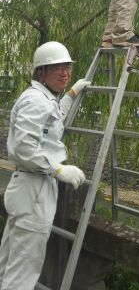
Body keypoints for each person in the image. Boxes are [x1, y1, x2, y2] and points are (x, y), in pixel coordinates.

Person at [0, 41, 90, 290]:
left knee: (9, 263)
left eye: (67, 67)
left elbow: (51, 120)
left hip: (30, 188)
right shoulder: (36, 101)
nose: (65, 73)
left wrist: (71, 95)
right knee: (23, 271)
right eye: (57, 68)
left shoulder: (42, 98)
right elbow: (24, 147)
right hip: (34, 190)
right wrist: (58, 169)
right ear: (41, 72)